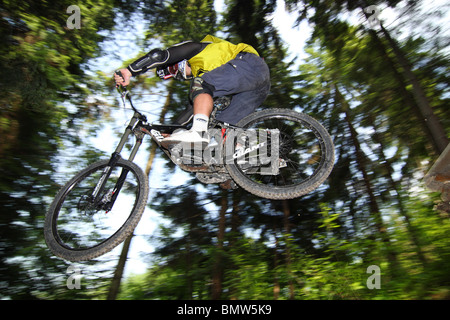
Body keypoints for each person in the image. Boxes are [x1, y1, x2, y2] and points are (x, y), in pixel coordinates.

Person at [114, 35, 270, 148]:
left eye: (174, 69)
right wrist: (171, 132)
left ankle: (198, 134)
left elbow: (159, 56)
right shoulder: (211, 76)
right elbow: (192, 112)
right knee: (221, 128)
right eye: (176, 75)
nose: (179, 75)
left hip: (248, 64)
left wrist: (130, 70)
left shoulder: (197, 49)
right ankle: (243, 160)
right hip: (257, 84)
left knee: (200, 85)